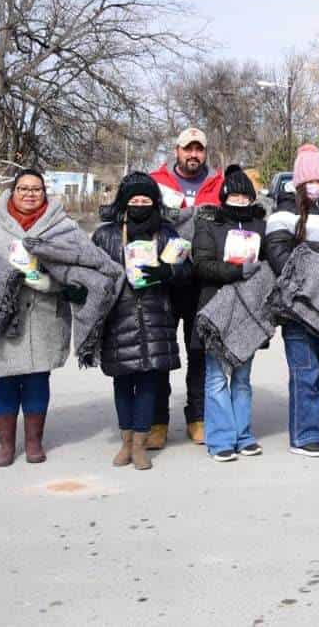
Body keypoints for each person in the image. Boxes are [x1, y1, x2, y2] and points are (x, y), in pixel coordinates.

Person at [0, 168, 82, 466]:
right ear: (13, 191)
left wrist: (51, 283)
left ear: (44, 193)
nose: (29, 194)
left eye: (36, 189)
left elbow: (80, 268)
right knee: (3, 380)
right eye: (23, 188)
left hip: (43, 315)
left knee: (37, 379)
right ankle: (6, 445)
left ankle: (35, 442)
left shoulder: (63, 227)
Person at [91, 172, 192, 471]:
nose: (139, 204)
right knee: (122, 382)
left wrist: (168, 272)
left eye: (145, 199)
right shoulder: (106, 234)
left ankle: (140, 444)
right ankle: (125, 442)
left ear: (154, 202)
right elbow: (91, 271)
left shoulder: (166, 232)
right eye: (134, 199)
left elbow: (186, 270)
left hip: (155, 316)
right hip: (118, 316)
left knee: (149, 383)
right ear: (124, 201)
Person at [264, 144, 319, 458]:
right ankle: (302, 435)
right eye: (311, 181)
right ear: (298, 182)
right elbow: (277, 253)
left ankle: (312, 424)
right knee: (305, 372)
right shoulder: (283, 213)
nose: (317, 186)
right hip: (298, 306)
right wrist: (311, 279)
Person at [149, 126, 222, 448]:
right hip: (164, 282)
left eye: (199, 149)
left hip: (202, 283)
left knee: (199, 352)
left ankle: (198, 417)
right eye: (187, 149)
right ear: (176, 150)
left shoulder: (217, 184)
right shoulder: (156, 182)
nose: (193, 155)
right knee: (161, 354)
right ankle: (156, 422)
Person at [189, 165, 267, 462]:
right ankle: (220, 438)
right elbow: (202, 264)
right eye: (233, 195)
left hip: (249, 310)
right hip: (216, 307)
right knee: (216, 376)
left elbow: (270, 260)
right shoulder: (208, 224)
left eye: (244, 195)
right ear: (223, 196)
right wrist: (236, 270)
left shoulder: (260, 225)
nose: (239, 200)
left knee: (243, 378)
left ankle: (244, 435)